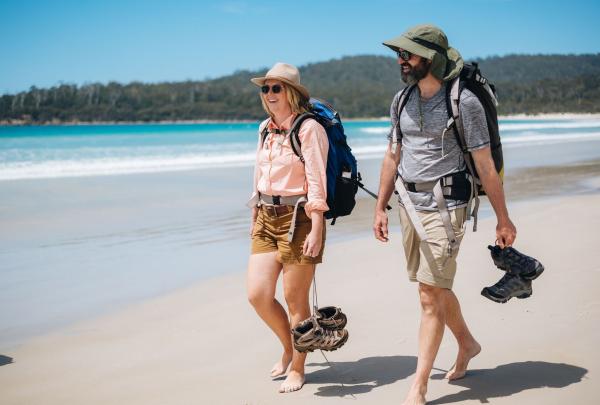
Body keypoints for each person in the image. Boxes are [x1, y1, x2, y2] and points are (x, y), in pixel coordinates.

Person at [373, 25, 517, 405]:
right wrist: (380, 206)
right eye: (399, 54)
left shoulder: (464, 103)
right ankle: (467, 343)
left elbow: (484, 165)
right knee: (433, 289)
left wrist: (503, 218)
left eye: (409, 54)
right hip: (409, 205)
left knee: (428, 294)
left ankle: (418, 387)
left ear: (431, 58)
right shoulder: (400, 100)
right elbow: (393, 155)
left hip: (447, 206)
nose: (401, 60)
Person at [246, 62, 329, 393]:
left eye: (275, 88)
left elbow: (316, 178)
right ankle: (288, 347)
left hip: (300, 218)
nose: (268, 94)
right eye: (265, 88)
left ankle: (298, 366)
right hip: (265, 217)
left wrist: (318, 224)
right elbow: (258, 171)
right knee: (258, 295)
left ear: (291, 92)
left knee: (296, 301)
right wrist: (254, 208)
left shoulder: (309, 129)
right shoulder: (265, 128)